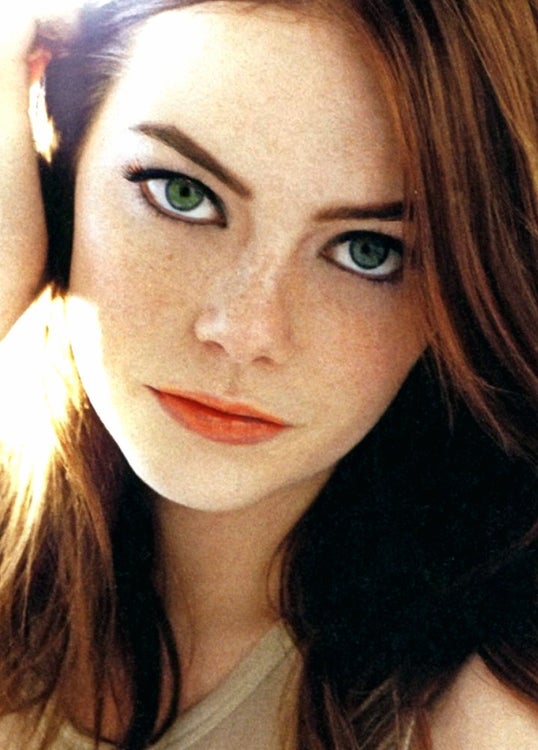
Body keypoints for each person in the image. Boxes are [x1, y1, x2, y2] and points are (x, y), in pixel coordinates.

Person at [0, 0, 536, 748]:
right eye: (182, 194)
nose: (245, 332)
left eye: (368, 250)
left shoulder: (481, 713)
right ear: (58, 168)